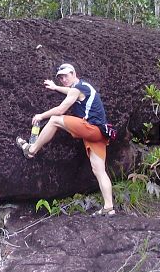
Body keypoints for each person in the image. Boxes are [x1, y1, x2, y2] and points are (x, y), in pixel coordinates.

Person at [16, 63, 115, 216]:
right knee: (99, 170)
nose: (63, 79)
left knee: (55, 119)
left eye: (65, 76)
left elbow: (61, 109)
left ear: (74, 73)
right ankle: (109, 208)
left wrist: (41, 116)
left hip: (91, 129)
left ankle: (32, 149)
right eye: (60, 78)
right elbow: (69, 91)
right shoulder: (83, 87)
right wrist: (55, 87)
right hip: (100, 133)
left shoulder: (78, 88)